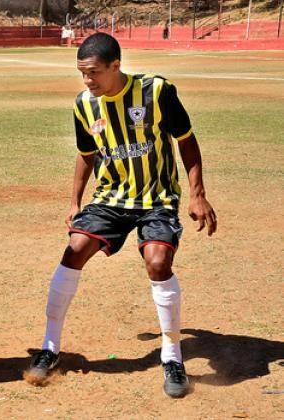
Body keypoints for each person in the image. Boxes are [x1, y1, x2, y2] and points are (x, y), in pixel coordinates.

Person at [26, 33, 217, 399]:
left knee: (158, 262)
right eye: (82, 73)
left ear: (116, 66)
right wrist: (74, 202)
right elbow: (86, 153)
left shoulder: (156, 91)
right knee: (74, 248)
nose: (87, 81)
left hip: (157, 198)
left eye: (94, 72)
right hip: (111, 197)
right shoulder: (84, 104)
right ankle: (49, 347)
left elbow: (186, 139)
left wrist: (198, 195)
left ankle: (172, 356)